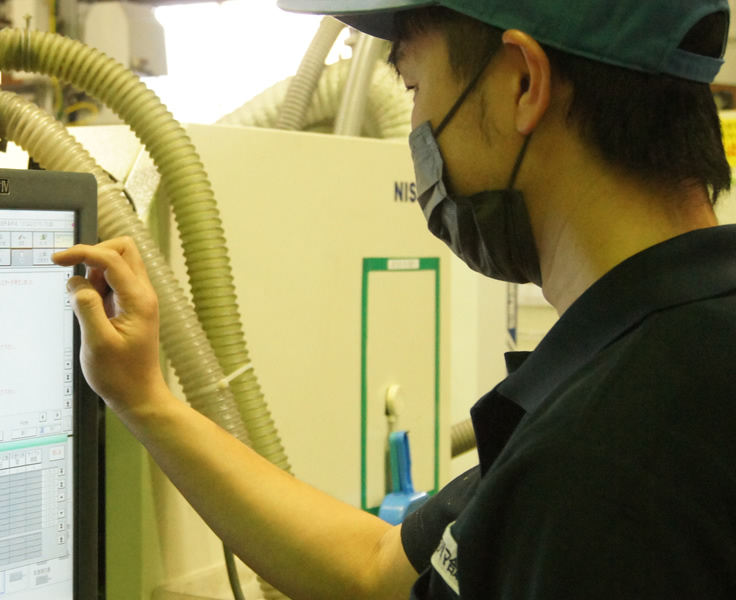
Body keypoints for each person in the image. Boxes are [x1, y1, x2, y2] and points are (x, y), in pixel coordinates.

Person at [53, 0, 736, 597]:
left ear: (523, 82)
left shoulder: (595, 467)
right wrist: (146, 399)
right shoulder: (663, 356)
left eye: (414, 85)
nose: (416, 125)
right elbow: (376, 572)